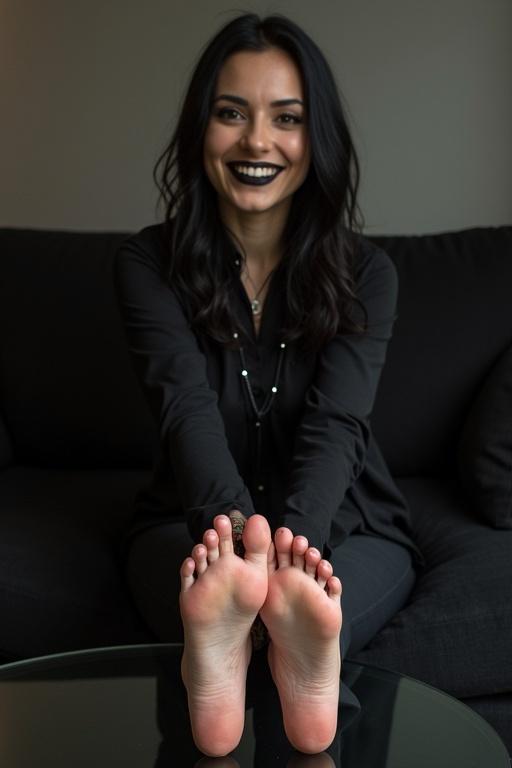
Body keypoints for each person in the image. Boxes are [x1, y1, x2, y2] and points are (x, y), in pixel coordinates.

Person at [113, 12, 423, 758]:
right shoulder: (146, 266)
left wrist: (288, 551)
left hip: (345, 527)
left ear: (316, 140)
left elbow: (336, 424)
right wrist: (235, 543)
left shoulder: (367, 276)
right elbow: (183, 407)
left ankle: (261, 649)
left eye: (287, 119)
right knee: (215, 591)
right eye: (231, 114)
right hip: (189, 524)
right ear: (200, 131)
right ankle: (261, 651)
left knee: (303, 598)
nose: (257, 142)